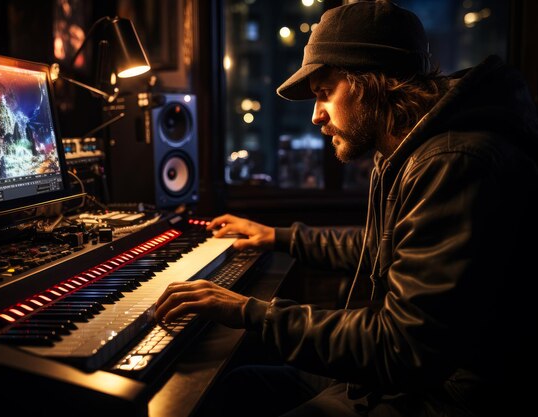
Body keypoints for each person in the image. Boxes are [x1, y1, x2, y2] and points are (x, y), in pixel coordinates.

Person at [155, 1, 538, 416]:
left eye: (324, 93)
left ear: (370, 81)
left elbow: (400, 347)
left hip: (442, 395)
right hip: (410, 378)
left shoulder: (453, 162)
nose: (317, 116)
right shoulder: (405, 148)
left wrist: (249, 311)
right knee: (238, 389)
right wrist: (279, 237)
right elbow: (379, 248)